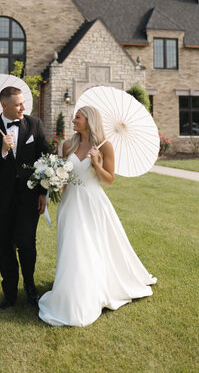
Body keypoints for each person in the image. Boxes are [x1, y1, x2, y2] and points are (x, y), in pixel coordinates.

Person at [38, 105, 157, 327]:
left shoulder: (105, 147)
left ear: (89, 121)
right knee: (71, 247)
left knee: (90, 246)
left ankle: (89, 291)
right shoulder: (67, 145)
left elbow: (109, 179)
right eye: (74, 117)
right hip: (70, 204)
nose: (74, 120)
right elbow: (64, 178)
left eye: (78, 117)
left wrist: (95, 163)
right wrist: (54, 183)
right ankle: (69, 290)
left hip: (93, 203)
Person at [0, 86, 50, 310]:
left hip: (29, 199)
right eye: (18, 104)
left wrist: (43, 193)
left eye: (23, 103)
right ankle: (9, 293)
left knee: (27, 244)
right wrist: (1, 150)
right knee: (5, 246)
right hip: (1, 200)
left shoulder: (35, 124)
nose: (23, 107)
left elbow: (45, 159)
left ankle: (30, 288)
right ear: (4, 106)